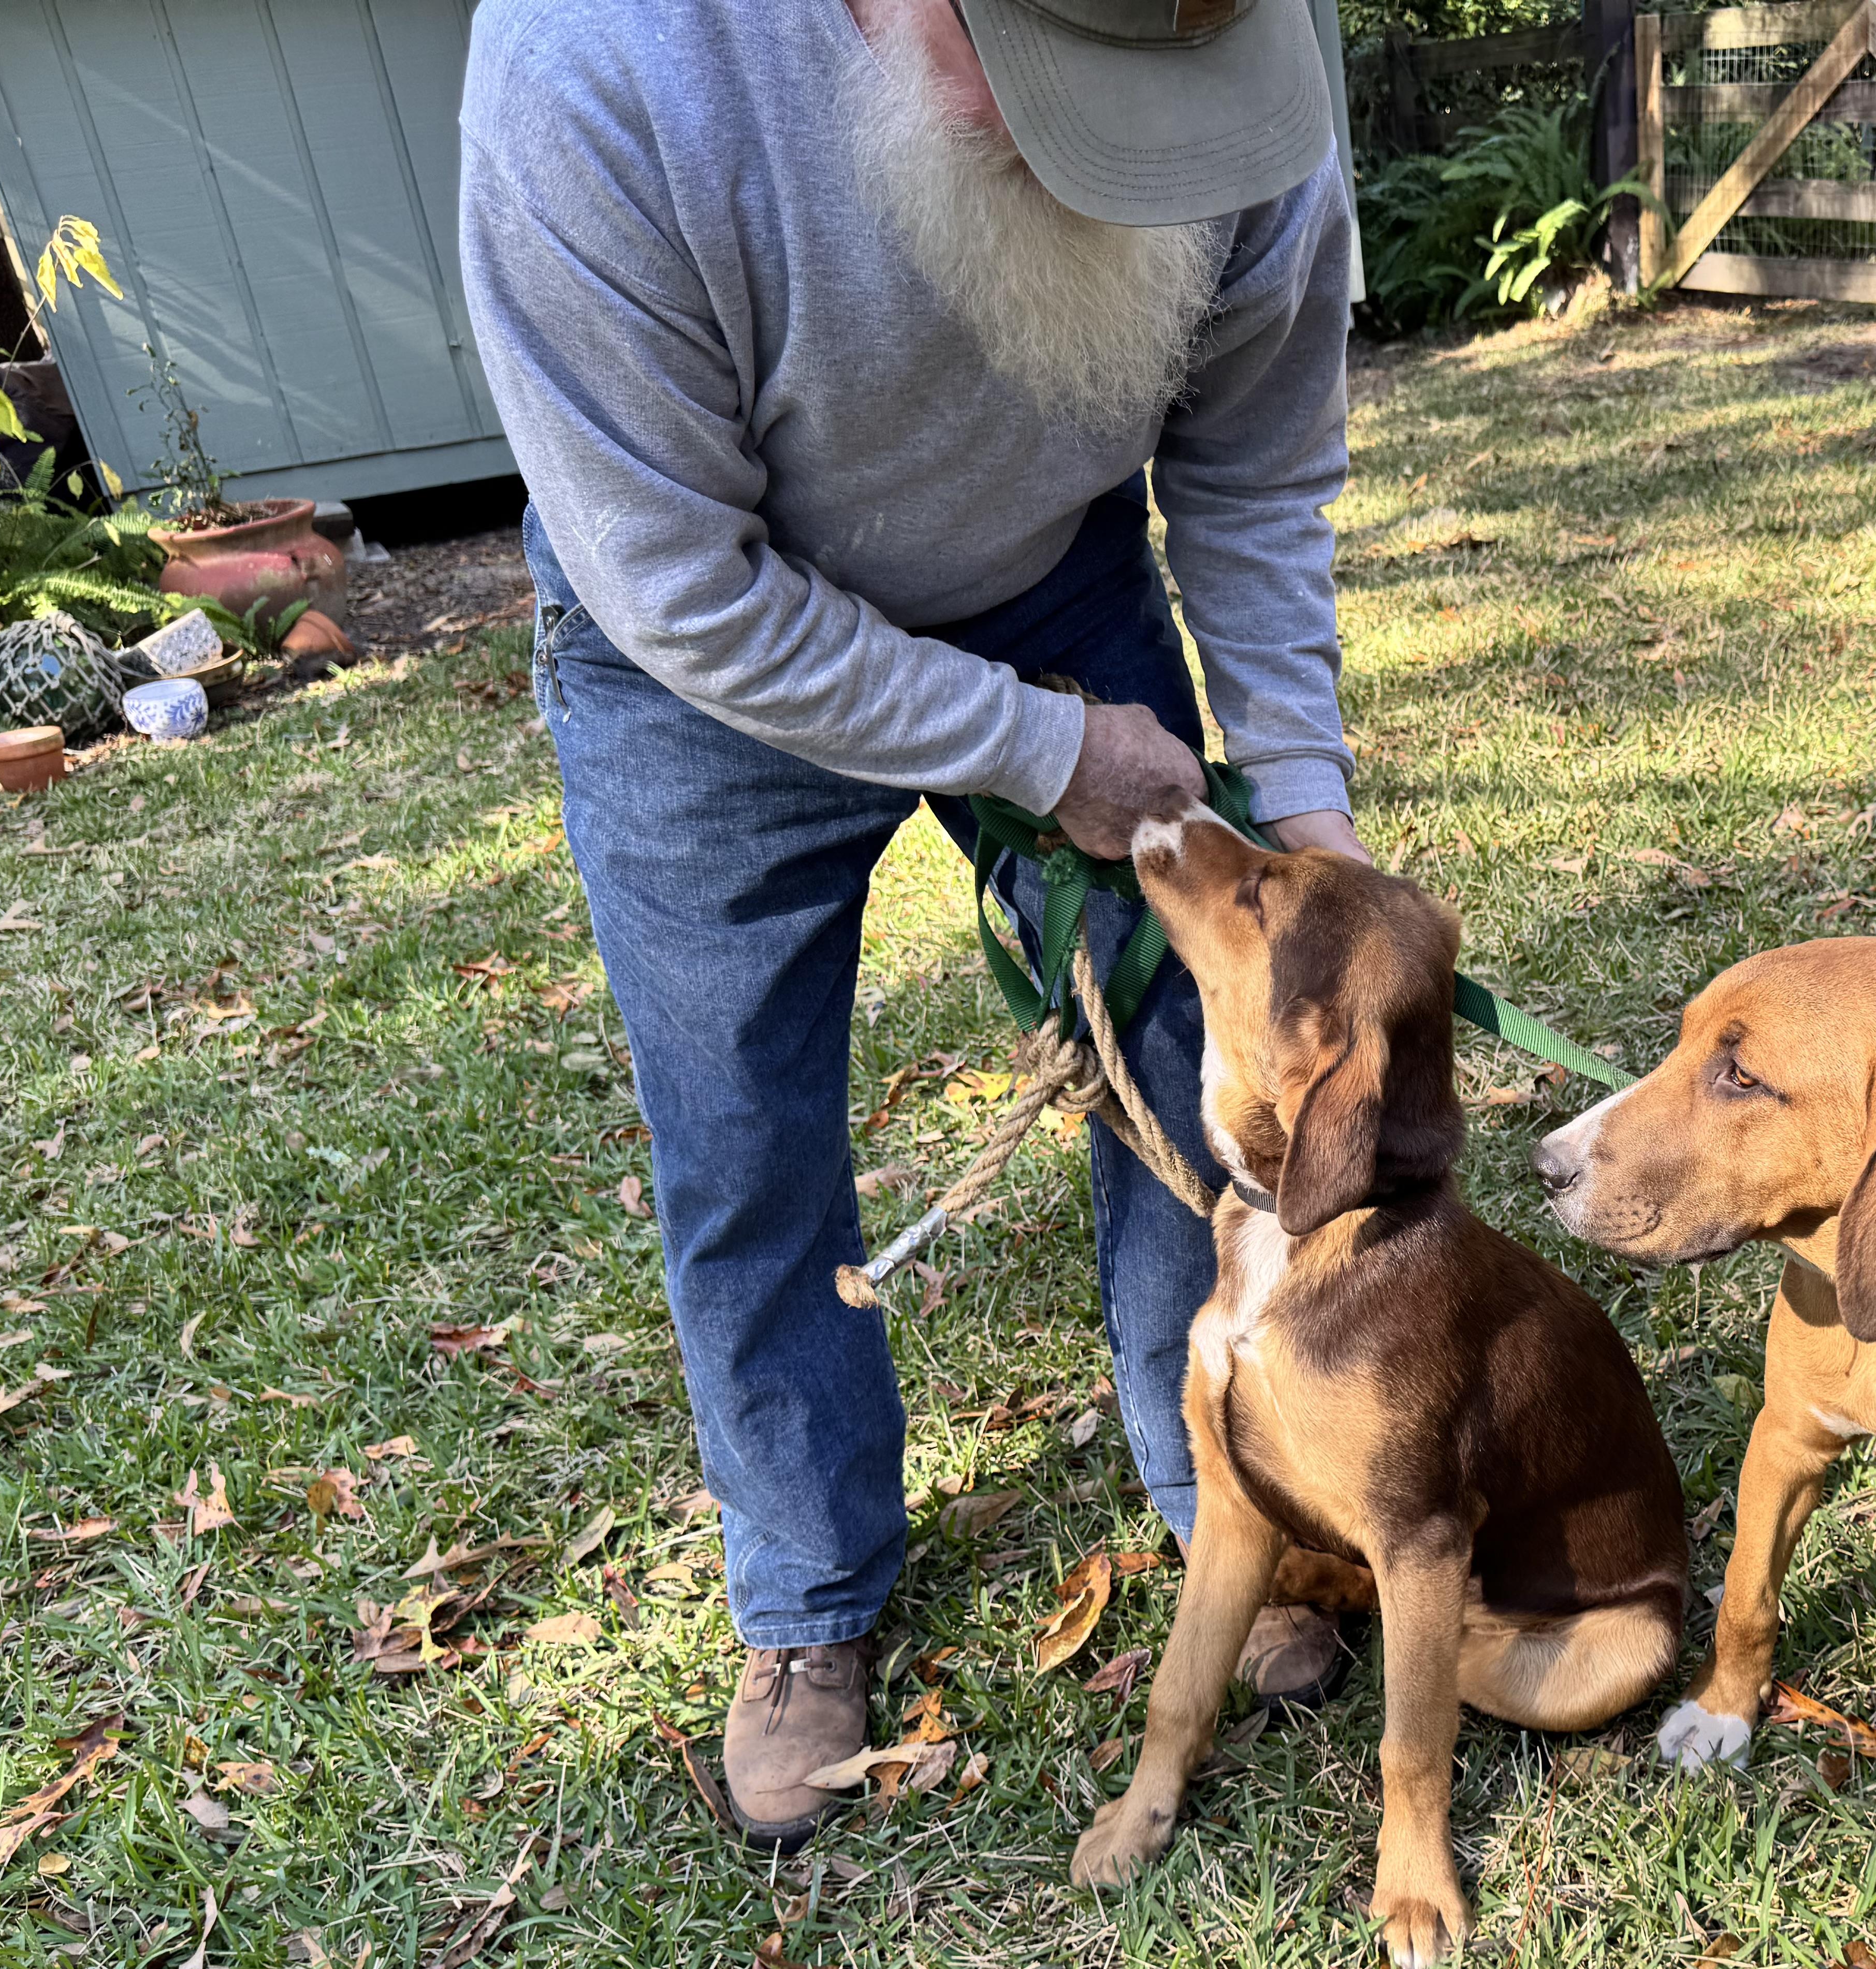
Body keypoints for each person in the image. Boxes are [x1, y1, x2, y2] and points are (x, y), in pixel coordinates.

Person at [459, 0, 1365, 1847]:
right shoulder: (594, 72)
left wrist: (1305, 815)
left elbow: (1257, 463)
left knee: (1185, 1044)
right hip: (704, 642)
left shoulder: (1250, 52)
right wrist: (1043, 751)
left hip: (1055, 569)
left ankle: (1228, 1488)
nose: (1131, 153)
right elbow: (680, 589)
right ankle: (808, 1591)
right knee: (742, 1130)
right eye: (1071, 92)